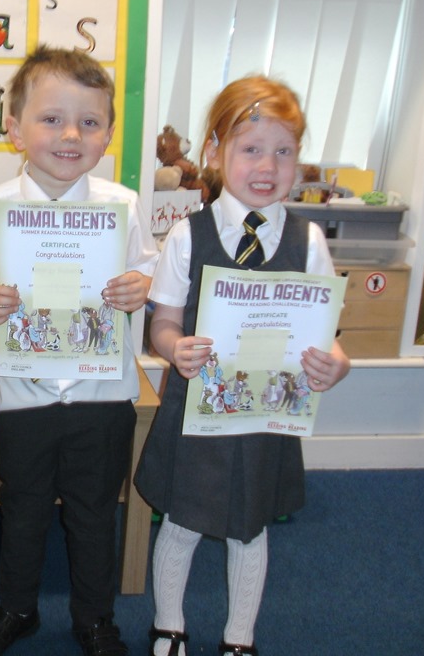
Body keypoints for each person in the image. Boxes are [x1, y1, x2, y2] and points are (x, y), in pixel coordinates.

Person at [0, 46, 159, 656]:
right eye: (52, 119)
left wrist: (139, 287)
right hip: (23, 395)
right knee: (23, 509)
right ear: (15, 130)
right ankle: (16, 608)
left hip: (103, 394)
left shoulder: (123, 206)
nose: (71, 135)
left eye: (89, 122)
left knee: (94, 512)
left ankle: (95, 618)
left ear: (108, 135)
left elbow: (148, 274)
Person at [134, 76, 352, 656]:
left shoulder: (309, 241)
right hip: (197, 412)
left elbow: (327, 335)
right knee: (181, 523)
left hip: (264, 419)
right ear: (214, 152)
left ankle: (239, 637)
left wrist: (337, 364)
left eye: (283, 151)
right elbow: (163, 323)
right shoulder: (187, 236)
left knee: (249, 531)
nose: (267, 166)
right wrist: (174, 348)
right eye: (251, 148)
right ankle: (169, 626)